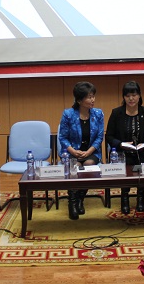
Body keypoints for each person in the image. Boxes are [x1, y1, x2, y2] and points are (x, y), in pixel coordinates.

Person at [106, 81, 144, 214]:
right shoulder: (116, 113)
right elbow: (109, 136)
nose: (131, 99)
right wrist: (122, 144)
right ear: (123, 97)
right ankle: (124, 198)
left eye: (134, 95)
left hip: (141, 152)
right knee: (126, 163)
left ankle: (141, 197)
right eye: (127, 96)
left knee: (141, 162)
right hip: (122, 153)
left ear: (139, 96)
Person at [58, 81, 104, 220]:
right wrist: (73, 151)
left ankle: (80, 199)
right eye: (89, 97)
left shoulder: (98, 114)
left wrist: (89, 151)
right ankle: (72, 202)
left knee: (89, 165)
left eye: (93, 96)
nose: (93, 100)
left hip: (91, 152)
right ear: (79, 100)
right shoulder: (68, 114)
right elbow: (62, 137)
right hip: (72, 152)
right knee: (75, 166)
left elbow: (99, 137)